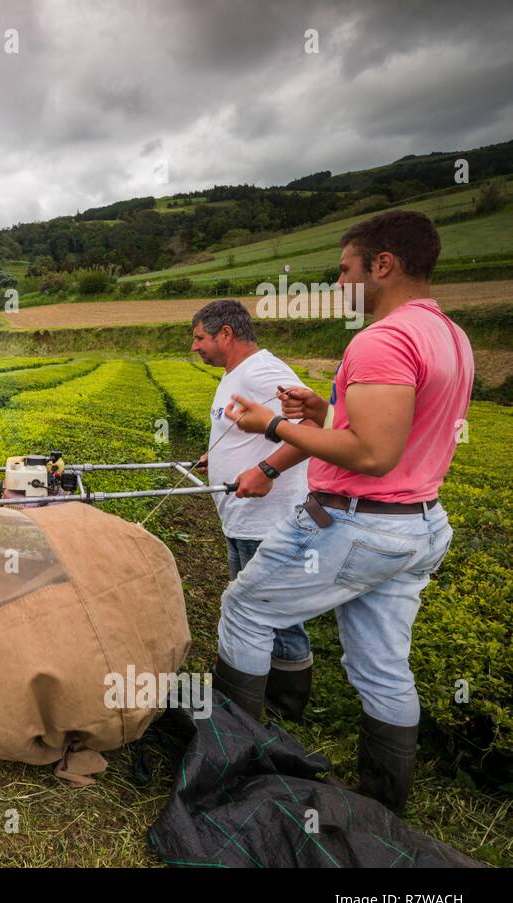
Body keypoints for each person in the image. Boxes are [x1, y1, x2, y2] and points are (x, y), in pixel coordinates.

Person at [217, 210, 473, 814]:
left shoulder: (382, 338)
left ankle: (226, 766)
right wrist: (321, 414)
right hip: (418, 525)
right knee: (383, 667)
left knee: (246, 609)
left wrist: (272, 424)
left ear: (382, 265)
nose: (336, 286)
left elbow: (375, 454)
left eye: (344, 270)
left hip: (356, 521)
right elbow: (397, 436)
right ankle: (384, 809)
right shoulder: (450, 336)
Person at [189, 300, 312, 720]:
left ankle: (282, 703)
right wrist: (219, 457)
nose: (195, 347)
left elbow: (311, 430)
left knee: (272, 609)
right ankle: (258, 698)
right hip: (241, 517)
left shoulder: (265, 371)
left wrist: (265, 471)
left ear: (226, 334)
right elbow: (252, 431)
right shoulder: (236, 375)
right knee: (251, 605)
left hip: (268, 518)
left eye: (200, 337)